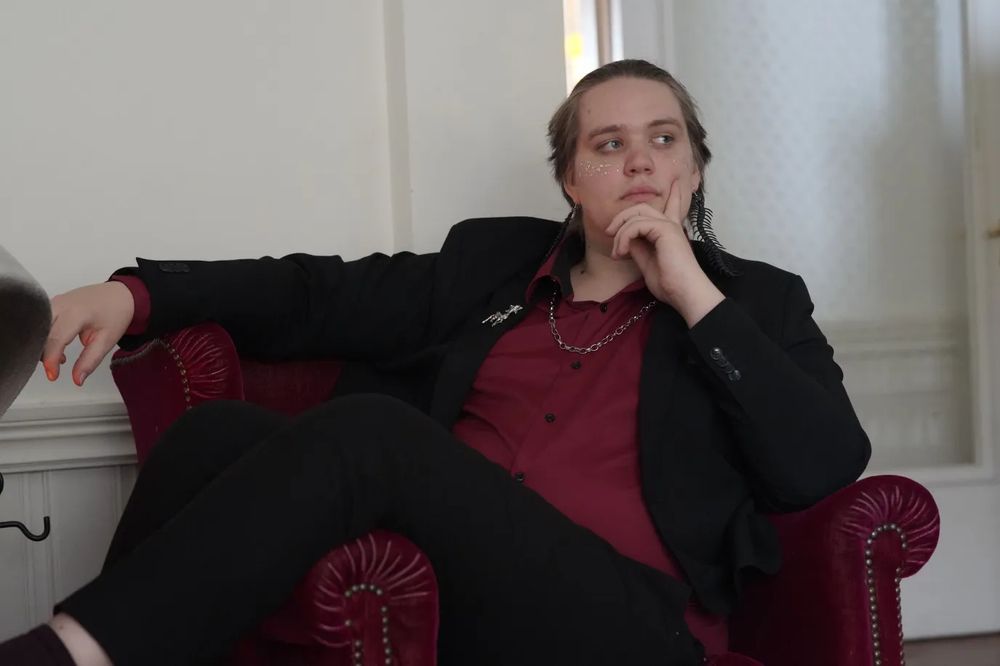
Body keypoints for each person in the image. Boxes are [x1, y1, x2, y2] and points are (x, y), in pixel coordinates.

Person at [0, 59, 870, 666]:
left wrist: (689, 290)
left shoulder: (756, 302)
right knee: (211, 436)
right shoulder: (489, 267)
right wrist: (138, 296)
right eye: (608, 144)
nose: (639, 158)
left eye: (664, 138)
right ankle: (104, 647)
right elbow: (319, 296)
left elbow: (823, 464)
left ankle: (58, 656)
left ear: (697, 163)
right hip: (457, 591)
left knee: (376, 434)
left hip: (630, 627)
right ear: (570, 179)